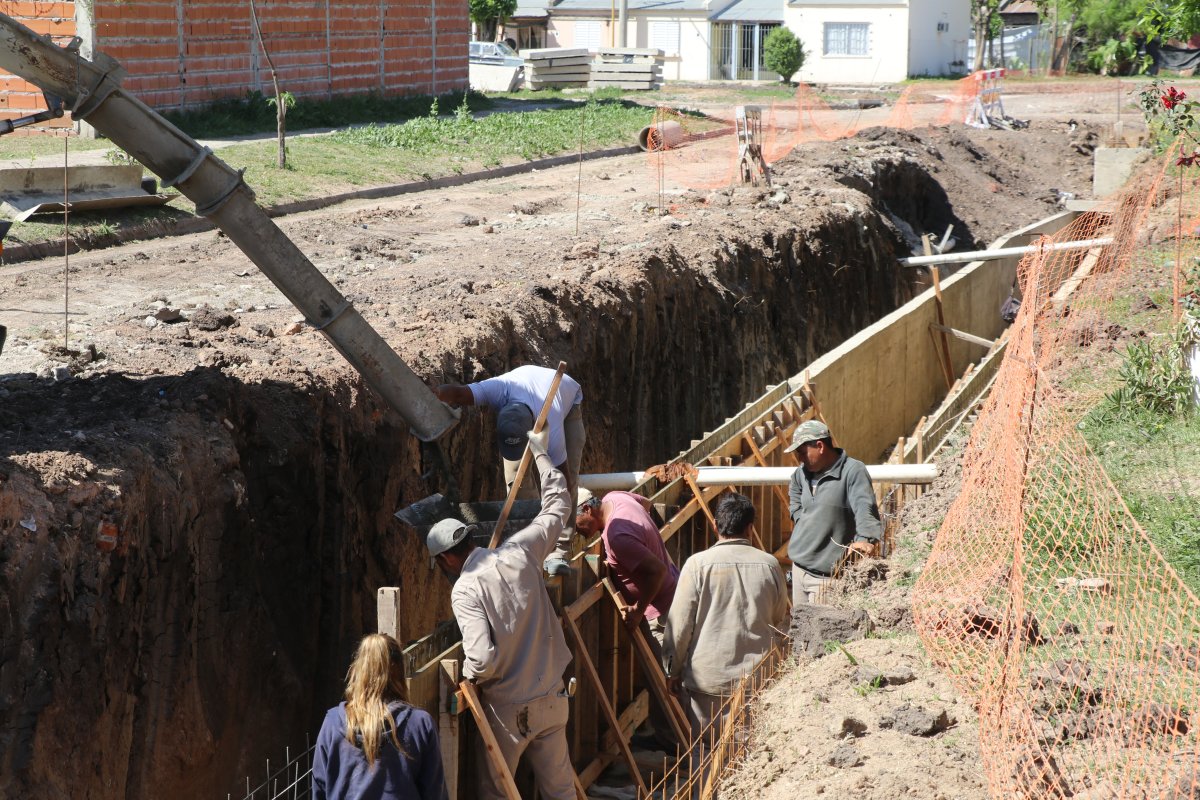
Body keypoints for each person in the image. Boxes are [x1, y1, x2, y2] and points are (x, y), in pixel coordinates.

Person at [424, 428, 577, 800]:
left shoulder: (466, 589)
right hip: (554, 697)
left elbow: (482, 659)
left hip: (510, 712)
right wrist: (541, 452)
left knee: (496, 793)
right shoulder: (521, 551)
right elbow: (559, 504)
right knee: (560, 792)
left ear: (445, 559)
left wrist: (467, 676)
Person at [435, 365, 584, 574]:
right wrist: (435, 394)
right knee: (516, 480)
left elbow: (563, 483)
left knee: (563, 484)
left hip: (567, 404)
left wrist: (558, 509)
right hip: (526, 402)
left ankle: (559, 549)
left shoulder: (554, 426)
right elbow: (458, 393)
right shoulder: (497, 389)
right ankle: (532, 544)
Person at [662, 492, 789, 739]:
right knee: (750, 758)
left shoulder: (697, 565)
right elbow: (778, 620)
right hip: (757, 680)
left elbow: (679, 626)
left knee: (707, 757)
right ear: (750, 528)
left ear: (715, 525)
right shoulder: (770, 565)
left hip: (708, 682)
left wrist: (672, 670)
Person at [312, 634, 448, 800]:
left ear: (359, 669)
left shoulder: (332, 723)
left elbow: (319, 789)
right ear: (399, 670)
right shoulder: (420, 724)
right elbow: (435, 793)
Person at [784, 419, 882, 605]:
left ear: (820, 446)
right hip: (799, 569)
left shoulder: (852, 472)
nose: (800, 458)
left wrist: (865, 539)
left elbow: (864, 506)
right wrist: (801, 520)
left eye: (802, 452)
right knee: (801, 629)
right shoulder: (801, 474)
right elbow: (795, 496)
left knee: (821, 632)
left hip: (827, 578)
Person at [575, 487, 679, 645]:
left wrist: (638, 611)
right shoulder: (615, 497)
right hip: (673, 597)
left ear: (587, 509)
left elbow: (658, 571)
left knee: (668, 669)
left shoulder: (617, 537)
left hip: (661, 616)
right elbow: (646, 503)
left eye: (573, 523)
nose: (574, 531)